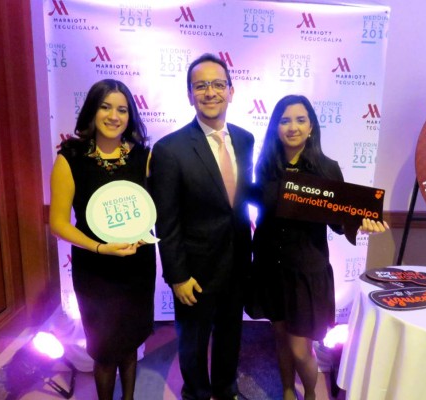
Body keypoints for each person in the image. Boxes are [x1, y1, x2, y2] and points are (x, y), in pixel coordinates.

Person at [250, 95, 388, 400]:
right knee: (280, 336)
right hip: (270, 266)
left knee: (301, 347)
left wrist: (359, 222)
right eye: (285, 120)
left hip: (306, 271)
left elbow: (339, 222)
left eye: (300, 120)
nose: (293, 127)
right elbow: (260, 210)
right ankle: (287, 390)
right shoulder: (266, 166)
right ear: (275, 127)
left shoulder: (327, 169)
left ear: (311, 126)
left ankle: (310, 394)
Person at [148, 53, 254, 400]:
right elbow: (167, 218)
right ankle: (195, 393)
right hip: (194, 270)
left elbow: (245, 198)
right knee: (192, 342)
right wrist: (176, 275)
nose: (211, 92)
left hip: (237, 262)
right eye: (201, 86)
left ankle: (226, 389)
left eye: (218, 84)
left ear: (231, 91)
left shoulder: (246, 139)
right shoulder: (170, 149)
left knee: (230, 335)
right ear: (190, 94)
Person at [49, 79, 156, 400]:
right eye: (105, 107)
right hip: (95, 269)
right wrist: (98, 246)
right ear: (92, 111)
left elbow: (155, 208)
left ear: (130, 116)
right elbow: (57, 223)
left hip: (137, 267)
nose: (114, 116)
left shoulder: (143, 157)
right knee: (105, 349)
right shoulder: (70, 157)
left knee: (130, 343)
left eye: (122, 109)